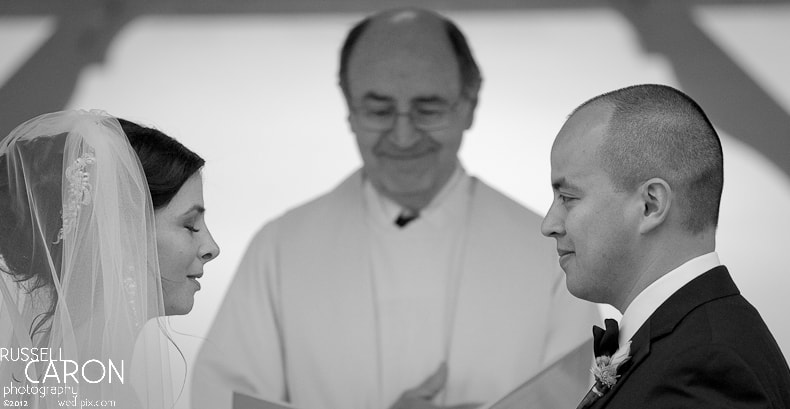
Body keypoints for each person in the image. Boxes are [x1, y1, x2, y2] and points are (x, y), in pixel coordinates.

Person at [193, 8, 597, 409]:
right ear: (349, 106)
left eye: (428, 109)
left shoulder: (551, 252)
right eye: (379, 111)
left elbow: (588, 397)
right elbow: (222, 400)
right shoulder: (280, 250)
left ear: (469, 103)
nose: (403, 137)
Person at [541, 84, 790, 408]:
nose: (549, 224)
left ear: (650, 205)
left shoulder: (703, 367)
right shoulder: (693, 342)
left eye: (568, 198)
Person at [0, 110, 220, 408]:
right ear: (121, 230)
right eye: (190, 225)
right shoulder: (85, 390)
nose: (212, 247)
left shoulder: (74, 376)